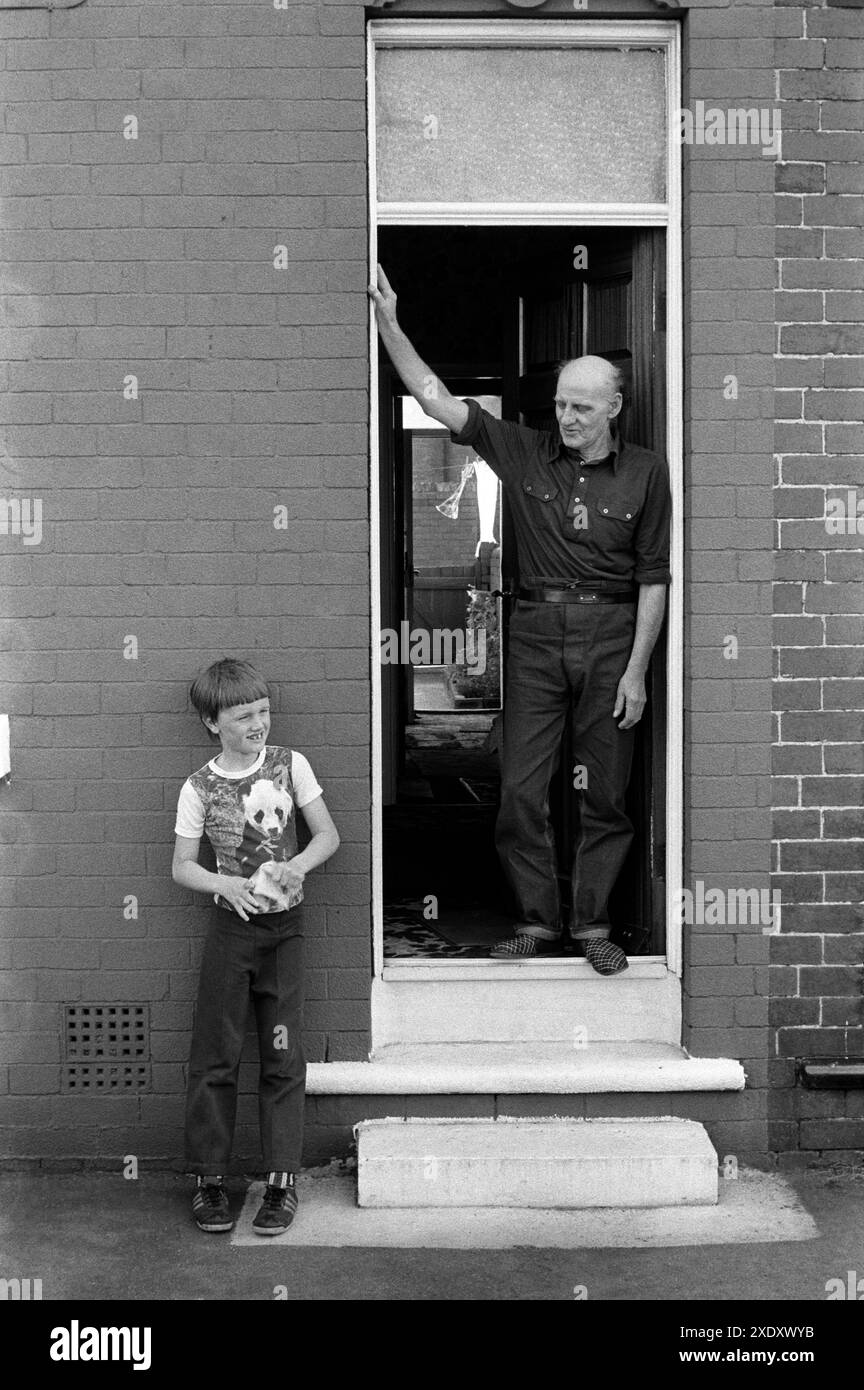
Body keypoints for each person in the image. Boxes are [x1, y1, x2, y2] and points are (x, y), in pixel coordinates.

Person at [369, 264, 670, 975]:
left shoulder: (647, 473)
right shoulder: (523, 450)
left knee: (606, 794)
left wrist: (637, 672)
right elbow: (437, 401)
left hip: (611, 635)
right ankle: (537, 920)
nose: (566, 417)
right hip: (533, 632)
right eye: (562, 403)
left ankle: (593, 924)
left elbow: (655, 577)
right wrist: (390, 323)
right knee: (520, 792)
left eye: (582, 409)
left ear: (614, 411)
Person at [172, 658, 339, 1234]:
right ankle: (210, 1183)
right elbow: (182, 868)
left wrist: (294, 867)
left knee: (281, 1056)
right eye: (244, 717)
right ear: (212, 723)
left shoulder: (291, 766)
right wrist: (223, 883)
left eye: (263, 712)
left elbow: (328, 836)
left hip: (284, 934)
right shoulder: (198, 786)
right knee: (215, 1056)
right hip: (231, 932)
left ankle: (280, 1185)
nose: (258, 724)